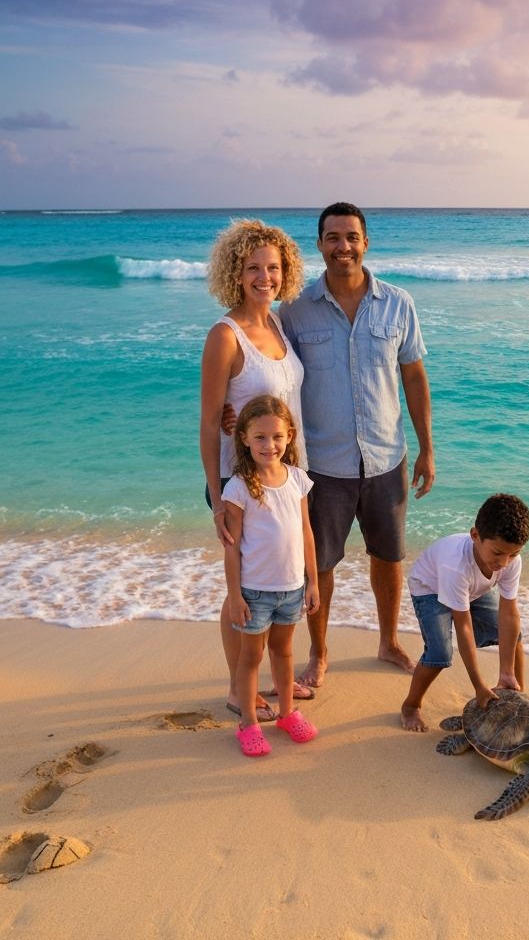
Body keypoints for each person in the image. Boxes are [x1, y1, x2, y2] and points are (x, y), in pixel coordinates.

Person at [278, 201, 435, 687]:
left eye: (351, 237)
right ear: (320, 245)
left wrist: (428, 447)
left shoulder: (398, 303)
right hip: (322, 465)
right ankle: (319, 653)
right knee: (319, 565)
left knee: (388, 559)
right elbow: (277, 379)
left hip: (387, 457)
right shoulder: (295, 311)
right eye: (332, 237)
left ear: (365, 242)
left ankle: (388, 641)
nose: (342, 247)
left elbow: (413, 376)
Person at [200, 219, 313, 720]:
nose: (264, 276)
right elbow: (208, 423)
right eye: (253, 268)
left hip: (283, 474)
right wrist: (215, 493)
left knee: (269, 575)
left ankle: (271, 681)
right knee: (243, 583)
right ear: (236, 273)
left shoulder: (277, 325)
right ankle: (235, 689)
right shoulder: (226, 335)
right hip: (237, 481)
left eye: (273, 267)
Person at [222, 395, 319, 756]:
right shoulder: (239, 487)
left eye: (277, 436)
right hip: (255, 591)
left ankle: (287, 714)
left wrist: (312, 581)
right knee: (251, 658)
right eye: (260, 437)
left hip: (292, 588)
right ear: (244, 438)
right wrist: (235, 596)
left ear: (290, 436)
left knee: (284, 651)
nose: (269, 445)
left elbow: (306, 532)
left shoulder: (297, 479)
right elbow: (231, 546)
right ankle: (247, 722)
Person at [400, 494, 529, 732]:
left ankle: (516, 693)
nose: (504, 562)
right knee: (440, 652)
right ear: (475, 536)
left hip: (472, 590)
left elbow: (509, 614)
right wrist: (479, 686)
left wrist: (506, 671)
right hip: (430, 587)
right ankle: (410, 705)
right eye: (498, 553)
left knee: (514, 635)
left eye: (512, 554)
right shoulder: (455, 565)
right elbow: (464, 626)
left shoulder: (511, 561)